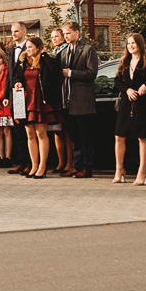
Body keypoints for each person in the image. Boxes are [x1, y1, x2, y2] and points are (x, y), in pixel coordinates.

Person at [13, 36, 63, 178]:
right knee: (29, 134)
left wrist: (43, 54)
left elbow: (54, 71)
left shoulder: (47, 60)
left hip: (41, 101)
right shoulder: (23, 61)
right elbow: (16, 77)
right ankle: (34, 165)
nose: (27, 50)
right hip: (26, 100)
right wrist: (17, 83)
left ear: (38, 47)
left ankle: (42, 166)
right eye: (26, 47)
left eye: (30, 47)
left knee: (41, 134)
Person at [113, 33, 146, 185]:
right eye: (128, 43)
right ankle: (119, 169)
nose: (130, 46)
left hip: (142, 103)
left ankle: (142, 170)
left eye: (133, 43)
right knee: (119, 136)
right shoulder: (124, 62)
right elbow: (117, 81)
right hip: (126, 102)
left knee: (142, 137)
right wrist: (127, 90)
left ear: (140, 44)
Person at [60, 22, 99, 179]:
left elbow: (92, 73)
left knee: (85, 137)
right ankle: (76, 166)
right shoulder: (64, 52)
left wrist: (71, 73)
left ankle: (87, 167)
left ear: (77, 32)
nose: (66, 36)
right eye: (64, 34)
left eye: (68, 33)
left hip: (83, 101)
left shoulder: (88, 50)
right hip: (68, 100)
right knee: (74, 137)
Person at [4, 22, 32, 175]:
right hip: (14, 95)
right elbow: (9, 75)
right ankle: (21, 162)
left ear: (24, 31)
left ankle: (31, 163)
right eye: (12, 32)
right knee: (18, 131)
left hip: (27, 95)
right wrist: (6, 95)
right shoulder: (12, 49)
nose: (13, 34)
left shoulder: (29, 47)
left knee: (29, 131)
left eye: (16, 31)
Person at [47, 27, 73, 175]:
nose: (54, 39)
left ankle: (70, 162)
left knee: (66, 131)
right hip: (55, 95)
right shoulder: (53, 53)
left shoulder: (66, 51)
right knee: (57, 131)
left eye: (56, 36)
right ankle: (60, 162)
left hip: (64, 94)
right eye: (52, 37)